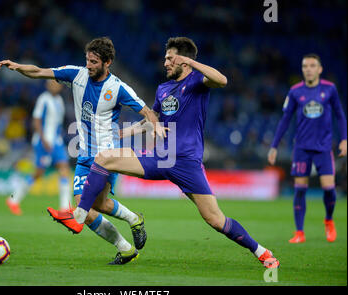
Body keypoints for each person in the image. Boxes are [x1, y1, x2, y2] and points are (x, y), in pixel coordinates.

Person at [48, 37, 280, 269]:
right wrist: (122, 133)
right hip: (160, 158)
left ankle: (262, 252)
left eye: (170, 58)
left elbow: (222, 80)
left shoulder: (198, 81)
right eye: (165, 58)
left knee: (215, 220)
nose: (166, 62)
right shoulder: (163, 89)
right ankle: (79, 216)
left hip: (187, 163)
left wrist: (191, 62)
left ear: (185, 61)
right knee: (103, 158)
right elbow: (150, 121)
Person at [0, 37, 166, 264]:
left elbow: (146, 110)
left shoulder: (117, 88)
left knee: (84, 208)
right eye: (87, 60)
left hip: (107, 155)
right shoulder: (76, 75)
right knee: (95, 208)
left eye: (94, 62)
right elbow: (39, 72)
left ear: (107, 62)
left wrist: (157, 129)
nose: (89, 65)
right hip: (84, 155)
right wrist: (18, 67)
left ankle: (111, 226)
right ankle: (128, 240)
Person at [268, 54, 347, 243]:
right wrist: (274, 146)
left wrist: (344, 139)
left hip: (323, 148)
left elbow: (340, 115)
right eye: (305, 66)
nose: (308, 69)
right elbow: (285, 119)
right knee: (300, 189)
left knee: (329, 189)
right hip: (301, 148)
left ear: (320, 69)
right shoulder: (295, 91)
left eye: (312, 65)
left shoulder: (329, 89)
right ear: (302, 69)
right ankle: (299, 232)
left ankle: (328, 220)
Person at [6, 80, 71, 216]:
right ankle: (13, 199)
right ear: (47, 86)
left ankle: (65, 208)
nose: (54, 85)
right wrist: (43, 139)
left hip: (57, 142)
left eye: (56, 84)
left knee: (64, 169)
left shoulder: (59, 100)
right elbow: (36, 120)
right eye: (51, 83)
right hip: (44, 142)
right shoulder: (43, 99)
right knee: (38, 173)